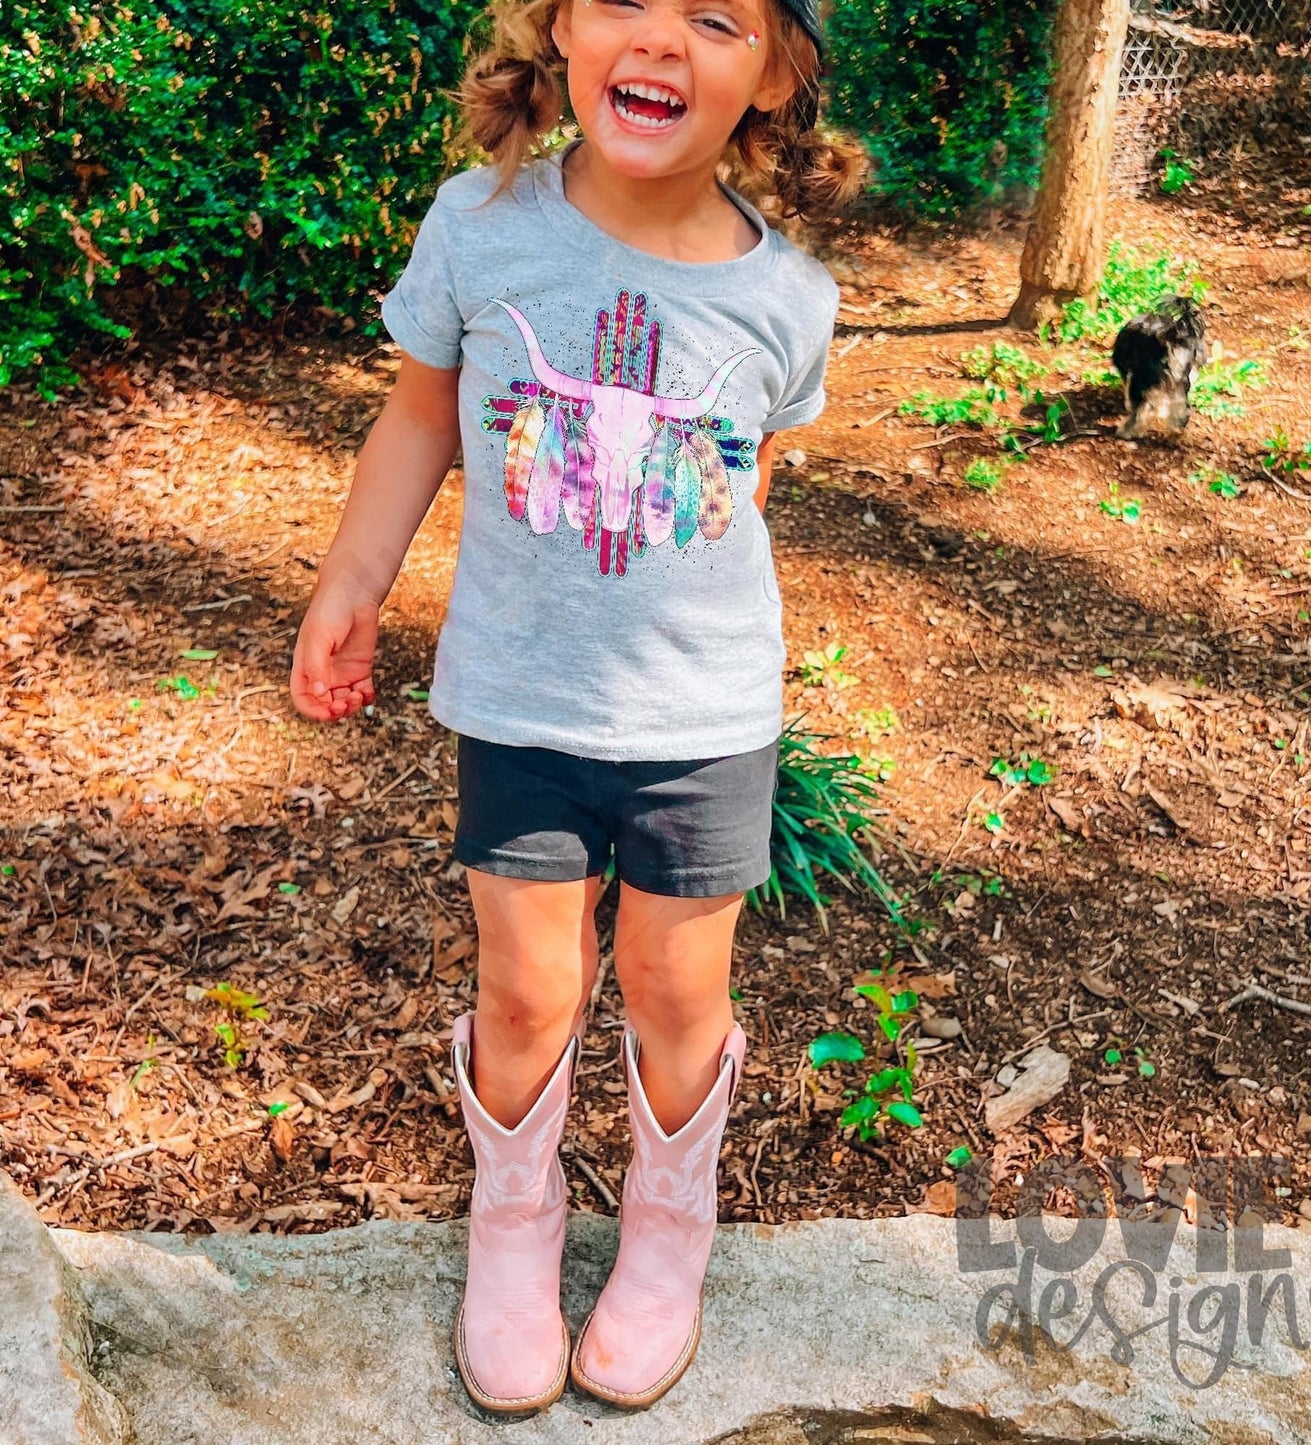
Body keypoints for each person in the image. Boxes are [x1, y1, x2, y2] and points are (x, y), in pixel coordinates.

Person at [289, 0, 865, 1415]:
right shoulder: (480, 228)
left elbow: (743, 480)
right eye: (622, 1)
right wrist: (352, 581)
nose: (658, 42)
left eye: (714, 18)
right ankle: (515, 1216)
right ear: (558, 28)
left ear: (775, 72)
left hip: (705, 720)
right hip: (520, 700)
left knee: (676, 988)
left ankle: (669, 1223)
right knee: (529, 983)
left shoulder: (789, 297)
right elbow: (420, 413)